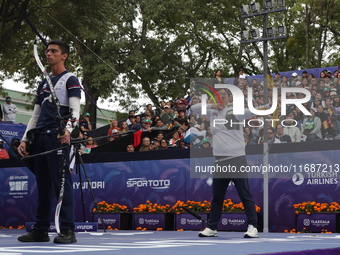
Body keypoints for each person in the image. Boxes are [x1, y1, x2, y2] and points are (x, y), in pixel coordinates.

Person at [17, 40, 81, 243]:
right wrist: (26, 139)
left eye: (54, 51)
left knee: (62, 184)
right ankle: (41, 229)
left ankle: (68, 230)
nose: (48, 54)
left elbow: (75, 111)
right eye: (47, 51)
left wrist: (68, 131)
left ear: (64, 56)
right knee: (43, 185)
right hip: (41, 139)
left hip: (57, 138)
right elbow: (35, 116)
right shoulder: (44, 83)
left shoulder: (70, 79)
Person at [191, 87, 259, 238]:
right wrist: (212, 106)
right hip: (220, 161)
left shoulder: (235, 111)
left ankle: (253, 226)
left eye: (223, 95)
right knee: (217, 197)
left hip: (236, 159)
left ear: (229, 97)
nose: (221, 97)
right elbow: (193, 108)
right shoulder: (212, 111)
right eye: (218, 95)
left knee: (244, 194)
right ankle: (212, 227)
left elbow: (253, 111)